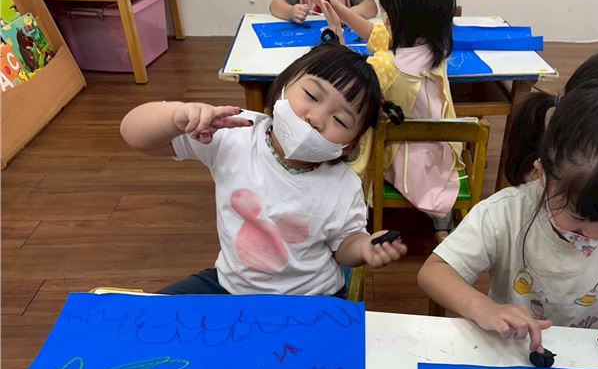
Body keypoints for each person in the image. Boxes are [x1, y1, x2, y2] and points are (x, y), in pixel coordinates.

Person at [418, 51, 598, 363]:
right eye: (580, 220)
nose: (595, 237)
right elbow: (434, 272)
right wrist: (484, 309)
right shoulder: (506, 213)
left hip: (597, 359)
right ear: (543, 173)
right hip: (512, 354)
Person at [120, 42, 407, 296]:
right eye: (311, 95)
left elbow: (344, 245)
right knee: (152, 318)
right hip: (231, 286)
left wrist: (364, 247)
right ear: (283, 84)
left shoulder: (343, 185)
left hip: (311, 296)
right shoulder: (235, 132)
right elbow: (135, 136)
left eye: (340, 121)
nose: (316, 118)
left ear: (349, 145)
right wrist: (176, 116)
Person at [315, 0, 462, 242]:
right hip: (438, 155)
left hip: (402, 158)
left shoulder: (386, 67)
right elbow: (376, 34)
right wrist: (339, 7)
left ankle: (347, 216)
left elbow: (346, 85)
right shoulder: (436, 46)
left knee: (338, 131)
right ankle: (442, 222)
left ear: (394, 9)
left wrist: (336, 35)